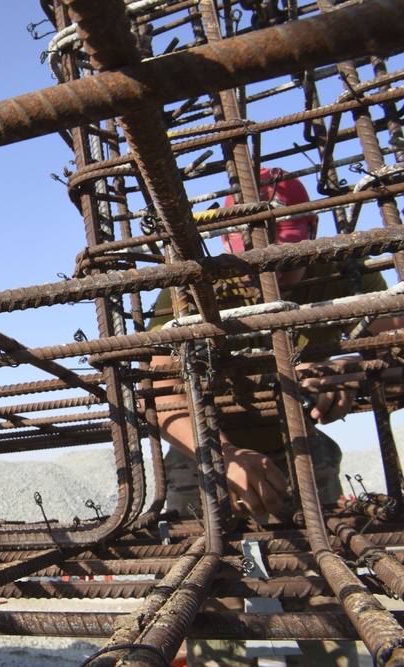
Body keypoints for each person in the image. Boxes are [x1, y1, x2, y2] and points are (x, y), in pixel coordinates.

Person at [148, 167, 401, 667]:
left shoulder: (342, 266)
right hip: (207, 448)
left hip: (300, 445)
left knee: (321, 582)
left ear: (310, 232)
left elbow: (396, 318)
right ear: (228, 243)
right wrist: (222, 458)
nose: (272, 271)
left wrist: (354, 357)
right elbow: (160, 396)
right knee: (204, 592)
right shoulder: (193, 283)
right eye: (253, 256)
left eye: (287, 252)